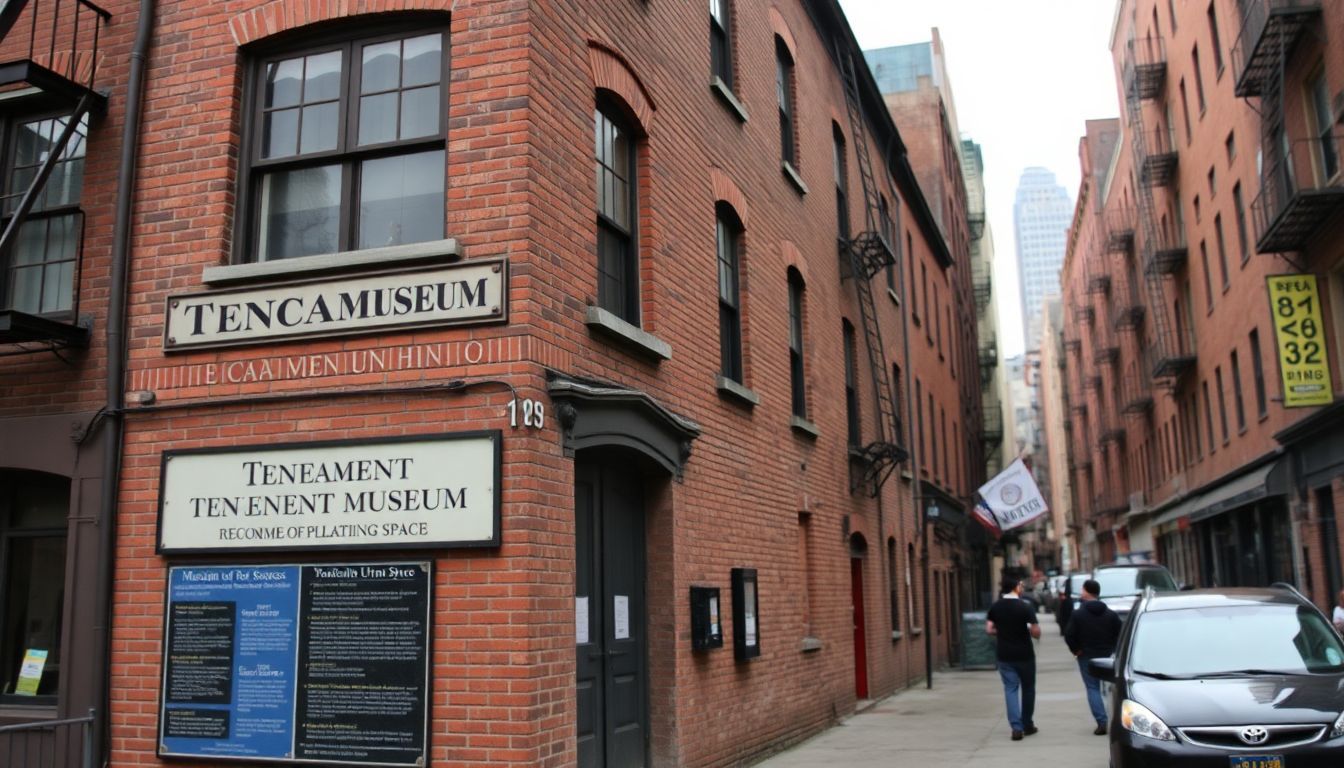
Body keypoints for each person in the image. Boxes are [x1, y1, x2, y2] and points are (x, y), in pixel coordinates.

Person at [1065, 579, 1123, 735]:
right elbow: (1121, 634)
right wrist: (1114, 649)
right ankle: (1117, 720)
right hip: (1107, 654)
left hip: (1086, 655)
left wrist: (1076, 650)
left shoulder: (1078, 615)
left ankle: (1102, 721)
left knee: (1092, 688)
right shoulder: (1110, 614)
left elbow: (1069, 635)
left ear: (1085, 591)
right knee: (1111, 687)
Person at [986, 578, 1041, 741]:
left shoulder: (995, 606)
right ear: (1016, 588)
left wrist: (1002, 632)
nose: (1022, 588)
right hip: (1025, 654)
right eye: (1021, 585)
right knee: (1028, 689)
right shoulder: (1025, 606)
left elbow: (989, 629)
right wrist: (1032, 632)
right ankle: (1027, 724)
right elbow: (1036, 631)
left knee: (1010, 689)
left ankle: (1016, 728)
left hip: (1004, 655)